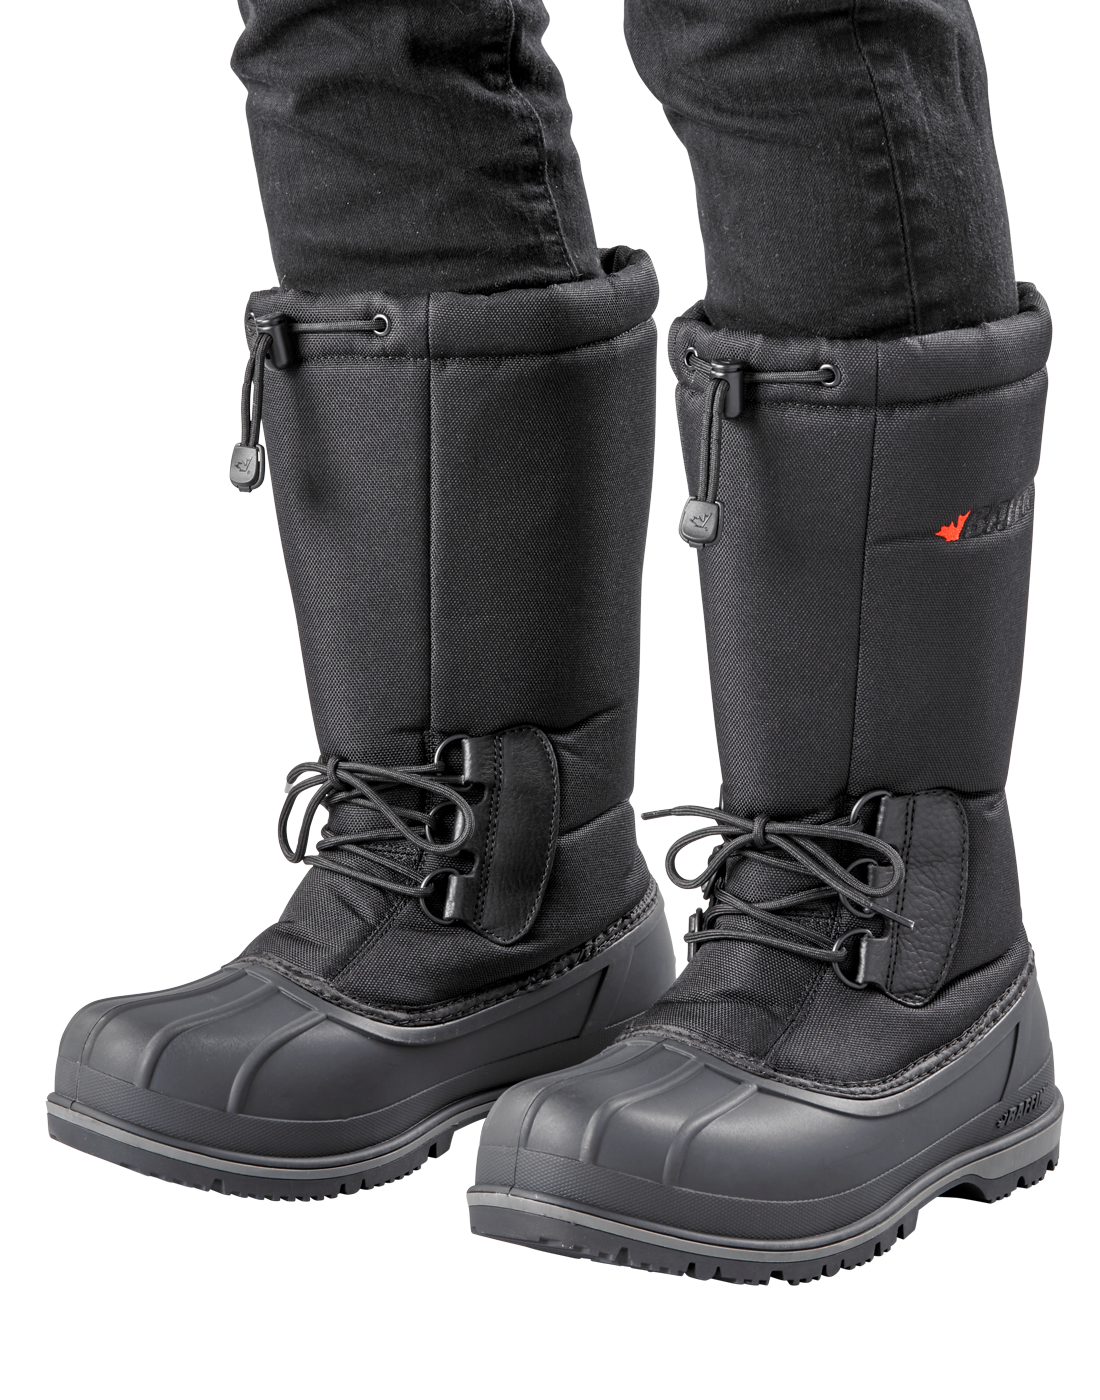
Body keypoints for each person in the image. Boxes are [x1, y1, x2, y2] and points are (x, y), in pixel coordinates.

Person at [48, 1, 1059, 1284]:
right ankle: (485, 890)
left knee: (776, 15)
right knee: (361, 24)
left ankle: (914, 961)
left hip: (906, 968)